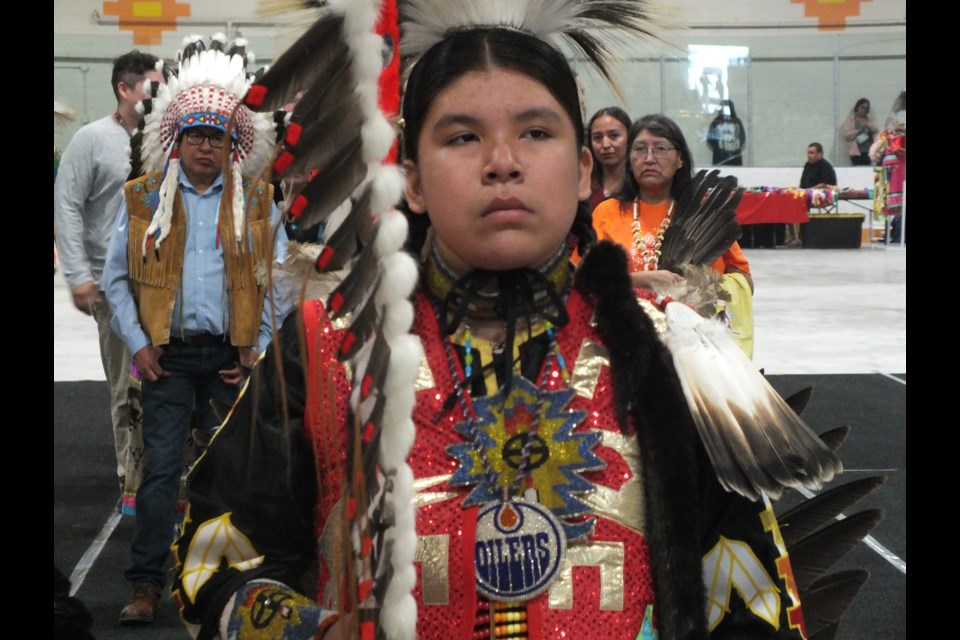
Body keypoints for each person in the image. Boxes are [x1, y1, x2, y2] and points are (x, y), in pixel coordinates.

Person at [168, 3, 848, 639]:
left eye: (535, 132)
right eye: (462, 137)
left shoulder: (667, 349)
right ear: (412, 178)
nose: (503, 162)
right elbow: (217, 556)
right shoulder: (327, 350)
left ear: (583, 169)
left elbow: (748, 595)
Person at [102, 34, 288, 625]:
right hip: (168, 359)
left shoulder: (257, 200)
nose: (205, 145)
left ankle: (235, 583)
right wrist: (139, 344)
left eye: (216, 136)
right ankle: (144, 584)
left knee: (237, 470)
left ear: (233, 144)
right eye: (195, 135)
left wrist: (259, 346)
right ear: (177, 141)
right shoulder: (141, 200)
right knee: (160, 470)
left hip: (232, 357)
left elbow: (277, 280)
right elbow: (115, 281)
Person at [53, 50, 163, 491]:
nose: (160, 92)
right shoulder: (91, 140)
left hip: (163, 284)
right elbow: (67, 208)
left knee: (166, 382)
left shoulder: (168, 137)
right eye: (152, 85)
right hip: (111, 283)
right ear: (125, 89)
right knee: (126, 387)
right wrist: (79, 275)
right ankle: (132, 477)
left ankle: (171, 475)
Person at [590, 113, 755, 356]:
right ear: (629, 159)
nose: (649, 158)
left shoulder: (702, 212)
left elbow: (745, 282)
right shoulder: (606, 212)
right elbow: (583, 282)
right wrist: (640, 280)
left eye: (660, 148)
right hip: (626, 343)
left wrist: (700, 290)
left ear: (680, 159)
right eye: (639, 149)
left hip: (698, 349)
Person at [870, 90, 906, 243]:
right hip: (894, 166)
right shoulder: (895, 119)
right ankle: (895, 232)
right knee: (891, 199)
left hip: (897, 164)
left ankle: (896, 232)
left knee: (895, 199)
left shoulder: (895, 119)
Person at [790, 141, 839, 246]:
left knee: (798, 202)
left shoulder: (826, 166)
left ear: (820, 154)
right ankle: (793, 236)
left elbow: (824, 184)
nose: (809, 155)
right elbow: (802, 184)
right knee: (789, 200)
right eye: (808, 153)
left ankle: (801, 236)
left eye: (812, 153)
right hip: (806, 194)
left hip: (822, 196)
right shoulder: (807, 165)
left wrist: (808, 190)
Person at [587, 106, 632, 210]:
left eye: (614, 135)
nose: (606, 144)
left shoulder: (641, 187)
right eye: (597, 138)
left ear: (629, 137)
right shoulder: (584, 186)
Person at [705, 99, 746, 166]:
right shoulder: (716, 122)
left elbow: (742, 138)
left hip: (735, 157)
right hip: (719, 157)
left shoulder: (737, 122)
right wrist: (718, 148)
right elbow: (710, 138)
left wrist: (734, 146)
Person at [840, 98, 879, 166]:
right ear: (857, 107)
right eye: (862, 107)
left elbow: (876, 130)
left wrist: (868, 127)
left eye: (866, 108)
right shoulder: (851, 120)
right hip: (856, 151)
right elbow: (846, 135)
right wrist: (858, 130)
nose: (864, 110)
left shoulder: (869, 120)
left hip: (869, 151)